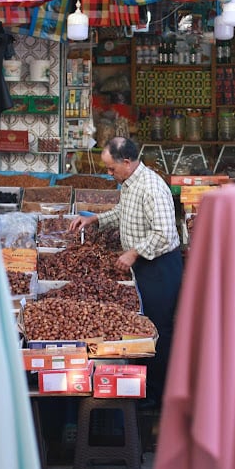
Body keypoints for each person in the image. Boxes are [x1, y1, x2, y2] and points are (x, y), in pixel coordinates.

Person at [69, 136, 182, 408]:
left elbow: (165, 234)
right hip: (142, 264)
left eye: (111, 168)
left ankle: (156, 396)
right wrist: (95, 219)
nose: (109, 174)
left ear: (127, 162)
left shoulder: (152, 187)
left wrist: (133, 252)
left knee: (156, 330)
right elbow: (123, 212)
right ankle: (140, 386)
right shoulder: (130, 183)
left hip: (159, 265)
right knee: (142, 327)